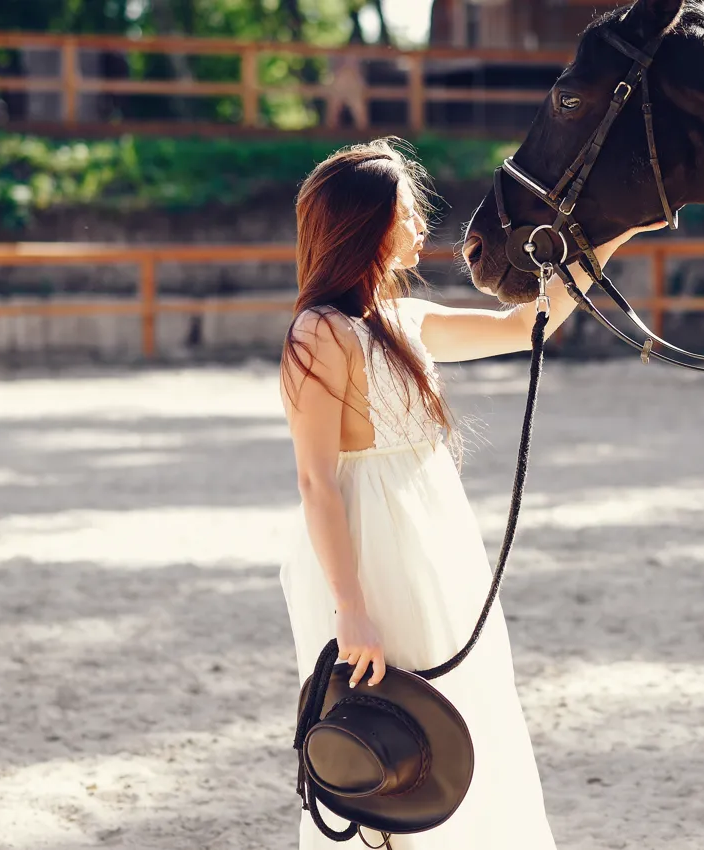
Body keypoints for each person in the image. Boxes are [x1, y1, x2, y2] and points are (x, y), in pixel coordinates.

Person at [277, 138, 658, 849]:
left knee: (460, 709)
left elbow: (524, 324)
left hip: (431, 539)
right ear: (370, 224)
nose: (423, 226)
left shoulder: (408, 320)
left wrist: (617, 231)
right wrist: (351, 609)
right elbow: (316, 479)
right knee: (377, 724)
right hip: (363, 546)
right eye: (409, 212)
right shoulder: (318, 334)